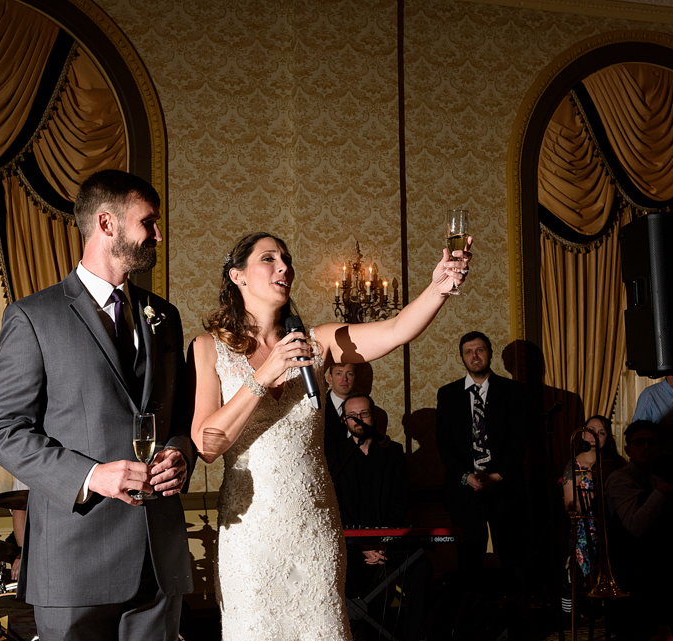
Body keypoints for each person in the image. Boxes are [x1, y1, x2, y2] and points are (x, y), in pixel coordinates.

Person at [189, 231, 471, 640]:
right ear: (238, 276)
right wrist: (263, 377)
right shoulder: (209, 348)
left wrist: (438, 288)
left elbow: (396, 331)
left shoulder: (318, 342)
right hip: (251, 534)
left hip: (315, 527)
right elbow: (207, 445)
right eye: (269, 259)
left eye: (286, 259)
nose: (284, 266)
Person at [0, 170, 195, 641]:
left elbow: (179, 416)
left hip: (158, 557)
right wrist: (91, 476)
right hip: (75, 557)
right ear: (107, 223)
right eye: (149, 222)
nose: (157, 234)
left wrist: (181, 452)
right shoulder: (34, 317)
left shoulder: (165, 317)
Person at [435, 331, 529, 595]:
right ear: (462, 357)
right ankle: (472, 627)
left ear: (489, 353)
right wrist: (466, 476)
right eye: (468, 351)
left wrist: (499, 476)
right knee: (469, 564)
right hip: (465, 493)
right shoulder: (448, 394)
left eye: (479, 350)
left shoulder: (514, 392)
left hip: (505, 491)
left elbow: (520, 439)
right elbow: (444, 444)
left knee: (515, 563)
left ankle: (520, 628)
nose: (474, 356)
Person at [331, 394, 429, 641]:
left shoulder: (392, 452)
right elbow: (337, 507)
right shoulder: (335, 457)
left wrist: (381, 542)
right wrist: (364, 546)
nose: (359, 420)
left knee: (421, 569)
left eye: (364, 414)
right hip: (353, 546)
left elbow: (400, 500)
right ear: (344, 420)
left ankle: (412, 636)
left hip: (389, 540)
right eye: (352, 416)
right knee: (344, 576)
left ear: (372, 416)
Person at [604, 421, 673, 640]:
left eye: (651, 442)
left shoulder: (656, 479)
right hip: (628, 570)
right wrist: (661, 492)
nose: (646, 447)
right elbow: (635, 527)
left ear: (658, 450)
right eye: (639, 442)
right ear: (628, 449)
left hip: (652, 567)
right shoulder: (619, 479)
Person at [559, 415, 623, 579]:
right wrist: (595, 489)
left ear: (607, 438)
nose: (595, 436)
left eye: (601, 432)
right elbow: (570, 507)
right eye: (591, 431)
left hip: (614, 529)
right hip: (588, 532)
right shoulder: (574, 465)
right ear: (582, 434)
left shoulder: (617, 463)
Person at [324, 362, 356, 462]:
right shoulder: (318, 408)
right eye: (339, 374)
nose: (344, 379)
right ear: (330, 378)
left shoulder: (365, 410)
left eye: (349, 374)